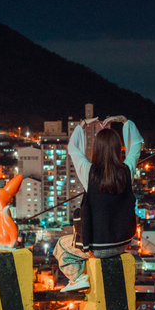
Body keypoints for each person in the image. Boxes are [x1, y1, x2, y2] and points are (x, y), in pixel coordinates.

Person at [54, 115, 143, 292]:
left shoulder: (88, 172)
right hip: (121, 244)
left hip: (97, 248)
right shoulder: (127, 170)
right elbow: (136, 145)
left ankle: (76, 277)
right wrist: (125, 121)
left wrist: (82, 125)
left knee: (61, 246)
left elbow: (73, 148)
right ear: (118, 149)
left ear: (97, 149)